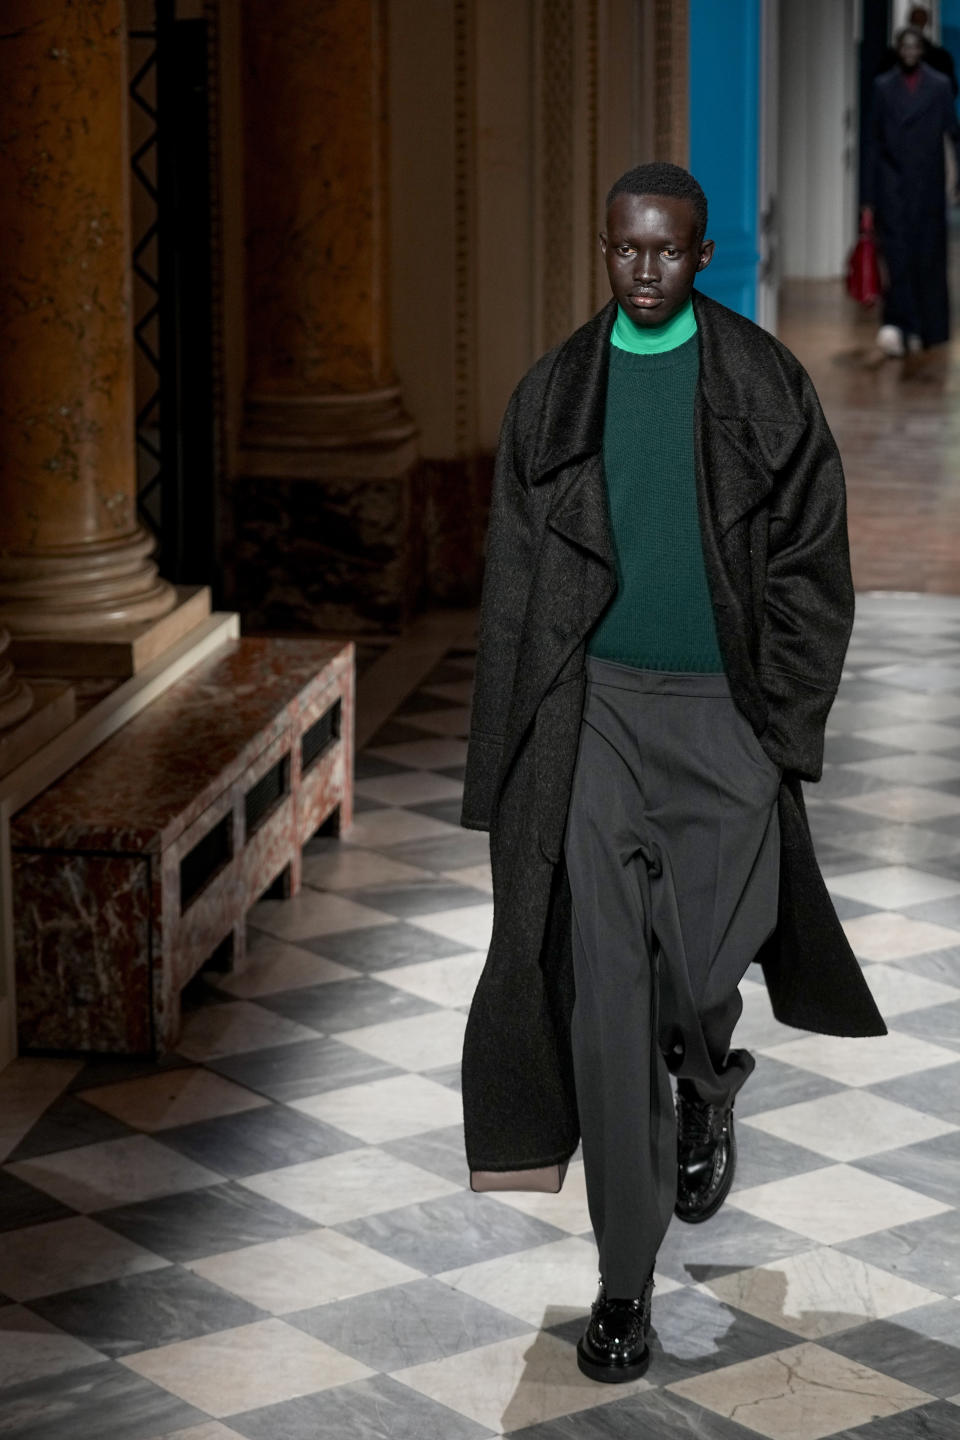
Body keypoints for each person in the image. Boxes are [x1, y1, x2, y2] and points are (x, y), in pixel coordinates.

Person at [459, 161, 886, 1384]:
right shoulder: (555, 396)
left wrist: (779, 723)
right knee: (604, 996)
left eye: (665, 251)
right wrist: (511, 756)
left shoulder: (761, 384)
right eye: (623, 250)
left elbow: (814, 562)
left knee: (701, 966)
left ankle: (708, 1077)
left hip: (723, 721)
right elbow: (514, 593)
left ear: (703, 255)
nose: (642, 271)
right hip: (594, 718)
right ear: (608, 250)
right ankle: (622, 1284)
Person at [865, 26, 960, 356]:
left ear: (922, 50)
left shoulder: (940, 85)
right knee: (897, 257)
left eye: (914, 45)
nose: (908, 51)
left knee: (929, 259)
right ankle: (903, 325)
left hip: (928, 186)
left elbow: (953, 135)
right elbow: (873, 144)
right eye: (903, 45)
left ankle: (927, 327)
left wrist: (957, 181)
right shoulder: (882, 87)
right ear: (897, 49)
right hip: (892, 186)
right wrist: (868, 197)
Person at [878, 7, 958, 96]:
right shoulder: (941, 57)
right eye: (916, 21)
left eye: (920, 21)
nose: (911, 53)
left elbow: (950, 91)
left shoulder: (940, 58)